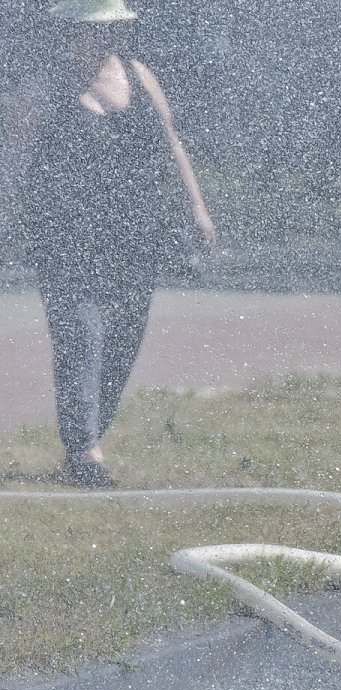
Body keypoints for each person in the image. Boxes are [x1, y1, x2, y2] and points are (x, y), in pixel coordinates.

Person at [9, 0, 215, 488]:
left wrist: (198, 208)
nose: (103, 39)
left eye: (111, 29)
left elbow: (171, 143)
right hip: (63, 233)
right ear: (70, 33)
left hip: (134, 232)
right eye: (93, 30)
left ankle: (87, 436)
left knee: (123, 337)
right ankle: (84, 451)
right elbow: (13, 160)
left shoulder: (139, 76)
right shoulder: (42, 87)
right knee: (80, 334)